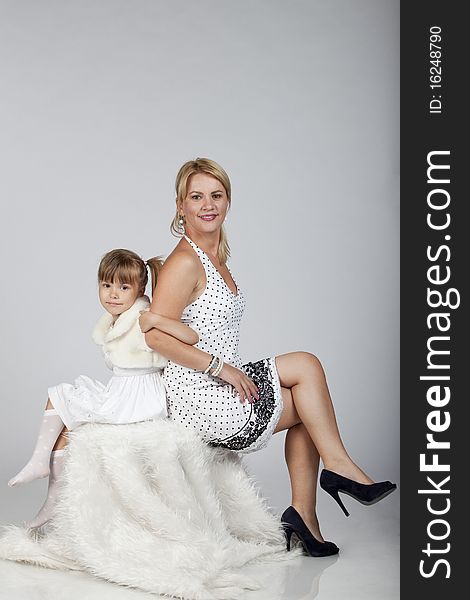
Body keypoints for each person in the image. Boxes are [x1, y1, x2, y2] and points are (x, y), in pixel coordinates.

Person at [140, 158, 397, 558]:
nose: (208, 205)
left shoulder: (213, 257)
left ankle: (306, 515)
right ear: (180, 205)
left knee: (309, 398)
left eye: (217, 195)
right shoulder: (184, 262)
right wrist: (219, 367)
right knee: (307, 376)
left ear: (228, 201)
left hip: (222, 381)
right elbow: (155, 334)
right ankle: (334, 475)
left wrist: (225, 370)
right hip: (200, 396)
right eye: (196, 197)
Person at [8, 248, 199, 528]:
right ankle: (52, 500)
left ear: (140, 288)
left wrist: (157, 320)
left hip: (139, 393)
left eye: (123, 287)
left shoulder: (144, 315)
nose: (113, 294)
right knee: (66, 426)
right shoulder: (116, 319)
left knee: (59, 394)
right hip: (121, 387)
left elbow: (191, 335)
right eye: (106, 285)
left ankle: (39, 461)